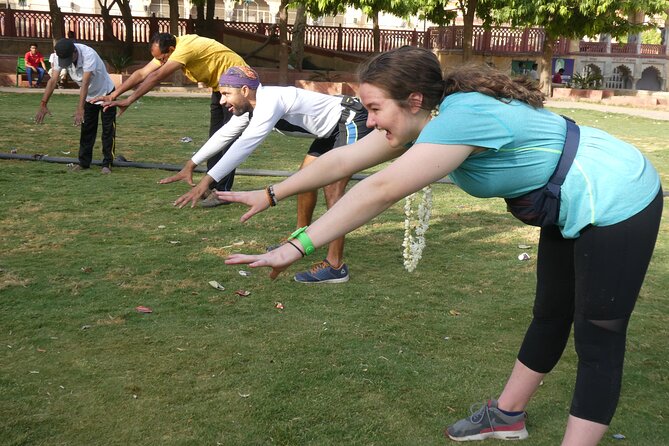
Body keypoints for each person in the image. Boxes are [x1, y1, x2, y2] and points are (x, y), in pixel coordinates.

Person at [219, 46, 662, 444]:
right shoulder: (427, 118)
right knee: (550, 312)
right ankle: (507, 416)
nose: (368, 120)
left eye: (374, 108)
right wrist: (271, 193)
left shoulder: (461, 117)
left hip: (617, 194)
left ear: (414, 101)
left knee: (598, 334)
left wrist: (296, 246)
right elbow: (342, 159)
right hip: (569, 199)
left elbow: (380, 190)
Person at [165, 66, 375, 283]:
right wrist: (191, 163)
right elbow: (225, 135)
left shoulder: (270, 101)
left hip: (350, 120)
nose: (221, 101)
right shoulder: (251, 107)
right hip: (330, 130)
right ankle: (299, 240)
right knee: (306, 179)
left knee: (332, 189)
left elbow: (245, 144)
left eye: (226, 94)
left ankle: (335, 266)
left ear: (245, 90)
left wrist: (208, 180)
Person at [92, 33, 248, 206]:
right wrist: (114, 94)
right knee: (215, 138)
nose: (161, 61)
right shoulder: (170, 50)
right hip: (220, 87)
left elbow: (156, 77)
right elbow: (143, 73)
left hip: (238, 85)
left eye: (163, 58)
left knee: (227, 139)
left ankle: (222, 192)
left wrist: (129, 100)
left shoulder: (184, 49)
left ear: (171, 50)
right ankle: (210, 187)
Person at [35, 38, 117, 174]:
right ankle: (84, 163)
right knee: (87, 130)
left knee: (108, 130)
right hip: (89, 96)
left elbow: (85, 82)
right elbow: (53, 80)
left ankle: (107, 164)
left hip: (106, 93)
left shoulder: (88, 54)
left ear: (74, 52)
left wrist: (80, 109)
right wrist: (43, 103)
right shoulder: (58, 55)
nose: (67, 63)